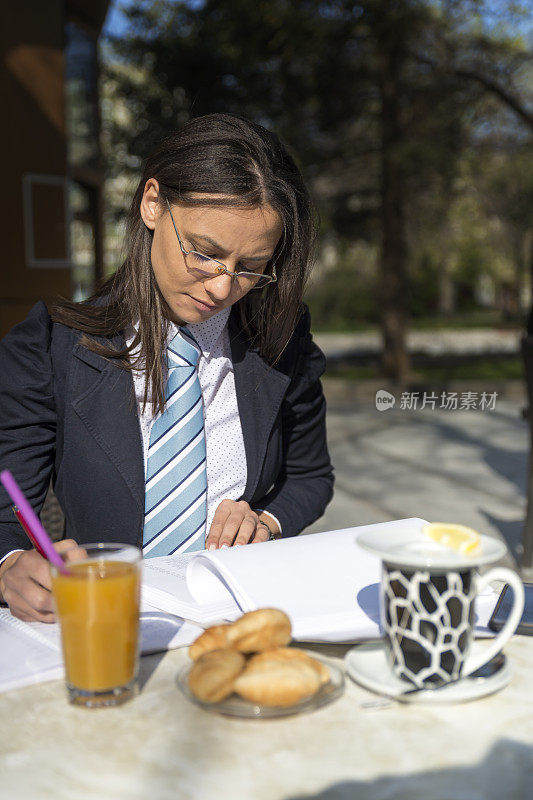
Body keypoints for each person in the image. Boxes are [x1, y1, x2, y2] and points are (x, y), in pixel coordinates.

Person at [0, 113, 334, 622]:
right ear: (153, 203)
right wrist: (9, 565)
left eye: (250, 268)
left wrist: (266, 522)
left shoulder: (279, 336)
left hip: (237, 617)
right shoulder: (53, 343)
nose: (222, 288)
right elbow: (6, 510)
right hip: (106, 624)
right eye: (205, 253)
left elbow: (310, 476)